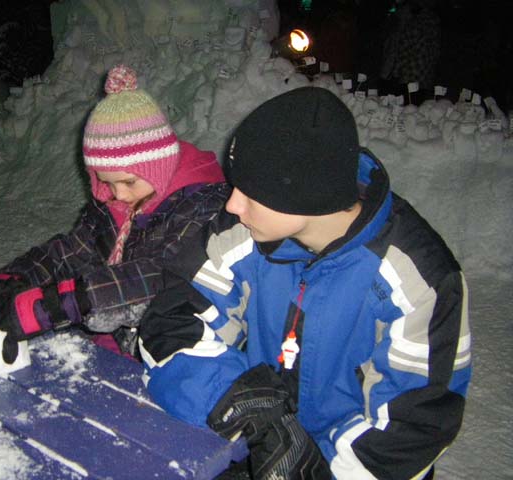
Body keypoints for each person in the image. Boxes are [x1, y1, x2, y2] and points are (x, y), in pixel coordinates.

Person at [138, 87, 471, 479]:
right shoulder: (242, 233)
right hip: (256, 447)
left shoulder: (419, 281)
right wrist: (248, 409)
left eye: (252, 191)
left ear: (305, 194)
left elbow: (413, 430)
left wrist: (308, 468)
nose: (232, 204)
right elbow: (170, 325)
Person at [0, 64, 229, 362]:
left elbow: (157, 278)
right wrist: (16, 278)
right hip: (113, 344)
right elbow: (70, 252)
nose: (118, 194)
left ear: (160, 165)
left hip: (173, 355)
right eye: (106, 181)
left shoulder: (202, 207)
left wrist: (56, 305)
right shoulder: (118, 203)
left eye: (129, 181)